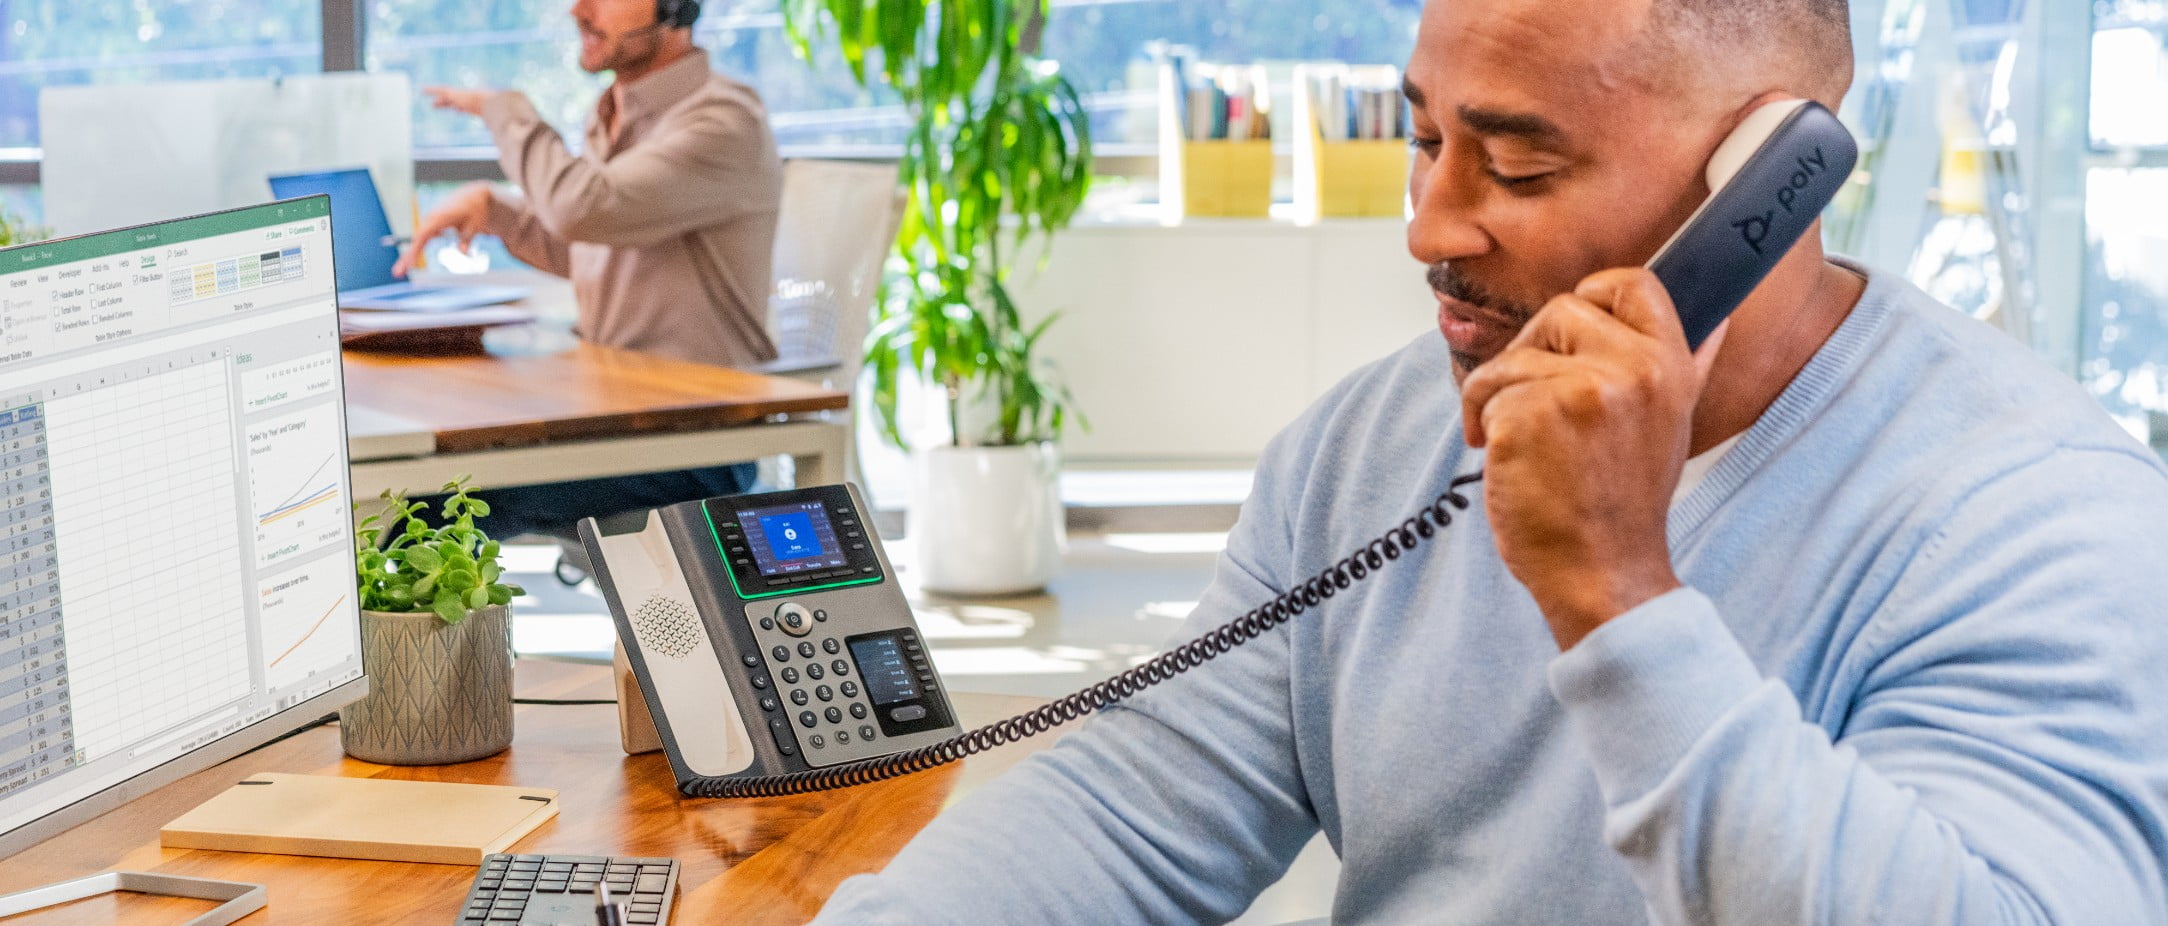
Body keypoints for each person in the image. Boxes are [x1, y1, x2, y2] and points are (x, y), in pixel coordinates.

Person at [814, 0, 2168, 923]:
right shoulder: (1372, 445)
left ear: (1770, 185)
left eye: (1518, 168)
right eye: (1424, 139)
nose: (1429, 225)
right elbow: (1130, 811)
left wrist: (1619, 595)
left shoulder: (2037, 518)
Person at [394, 0, 784, 540]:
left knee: (431, 500)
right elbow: (590, 246)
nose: (578, 10)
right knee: (418, 469)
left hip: (693, 442)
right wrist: (498, 212)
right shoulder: (614, 116)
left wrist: (508, 112)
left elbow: (584, 209)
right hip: (614, 418)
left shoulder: (723, 121)